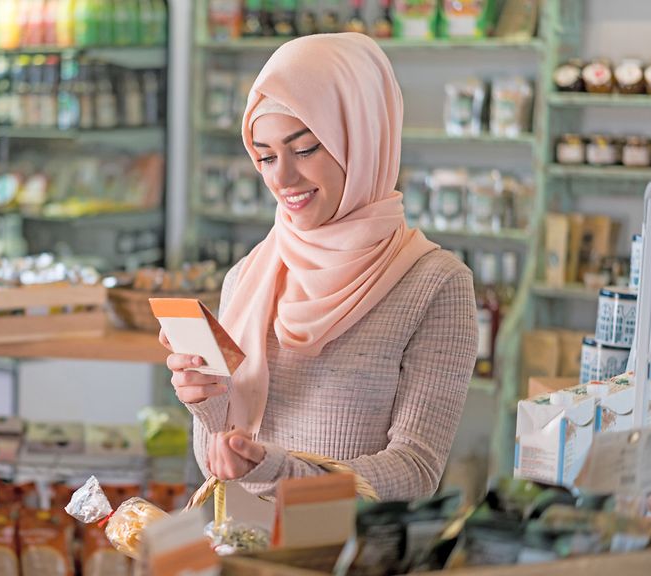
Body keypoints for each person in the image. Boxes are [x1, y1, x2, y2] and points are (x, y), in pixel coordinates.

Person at [161, 33, 478, 501]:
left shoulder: (435, 284)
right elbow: (217, 462)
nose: (281, 178)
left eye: (305, 149)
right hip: (247, 552)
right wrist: (207, 403)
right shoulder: (247, 277)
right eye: (265, 157)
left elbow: (415, 472)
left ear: (362, 138)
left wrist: (283, 473)